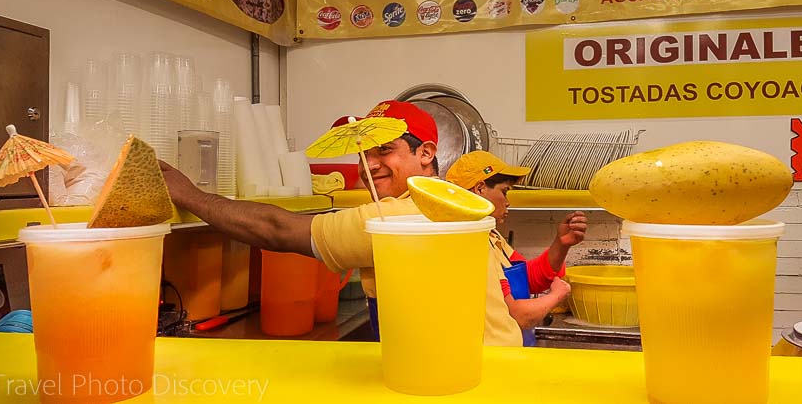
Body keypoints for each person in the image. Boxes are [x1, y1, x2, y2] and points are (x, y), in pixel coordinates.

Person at [161, 100, 525, 346]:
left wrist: (191, 195)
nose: (372, 164)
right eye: (364, 153)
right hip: (486, 361)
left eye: (385, 149)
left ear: (426, 152)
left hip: (471, 375)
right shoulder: (454, 207)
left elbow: (277, 230)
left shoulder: (403, 218)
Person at [446, 151, 587, 332]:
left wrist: (562, 243)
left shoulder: (492, 237)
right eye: (504, 192)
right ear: (480, 188)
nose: (507, 202)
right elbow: (516, 316)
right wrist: (557, 295)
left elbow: (528, 278)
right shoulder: (468, 242)